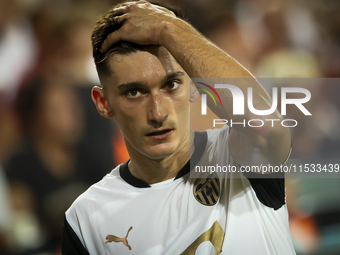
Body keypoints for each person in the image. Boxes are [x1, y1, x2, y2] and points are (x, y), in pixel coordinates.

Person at [62, 1, 295, 254]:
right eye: (134, 92)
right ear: (104, 103)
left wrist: (167, 28)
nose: (158, 113)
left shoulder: (238, 154)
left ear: (195, 85)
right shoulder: (85, 220)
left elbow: (264, 126)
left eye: (171, 85)